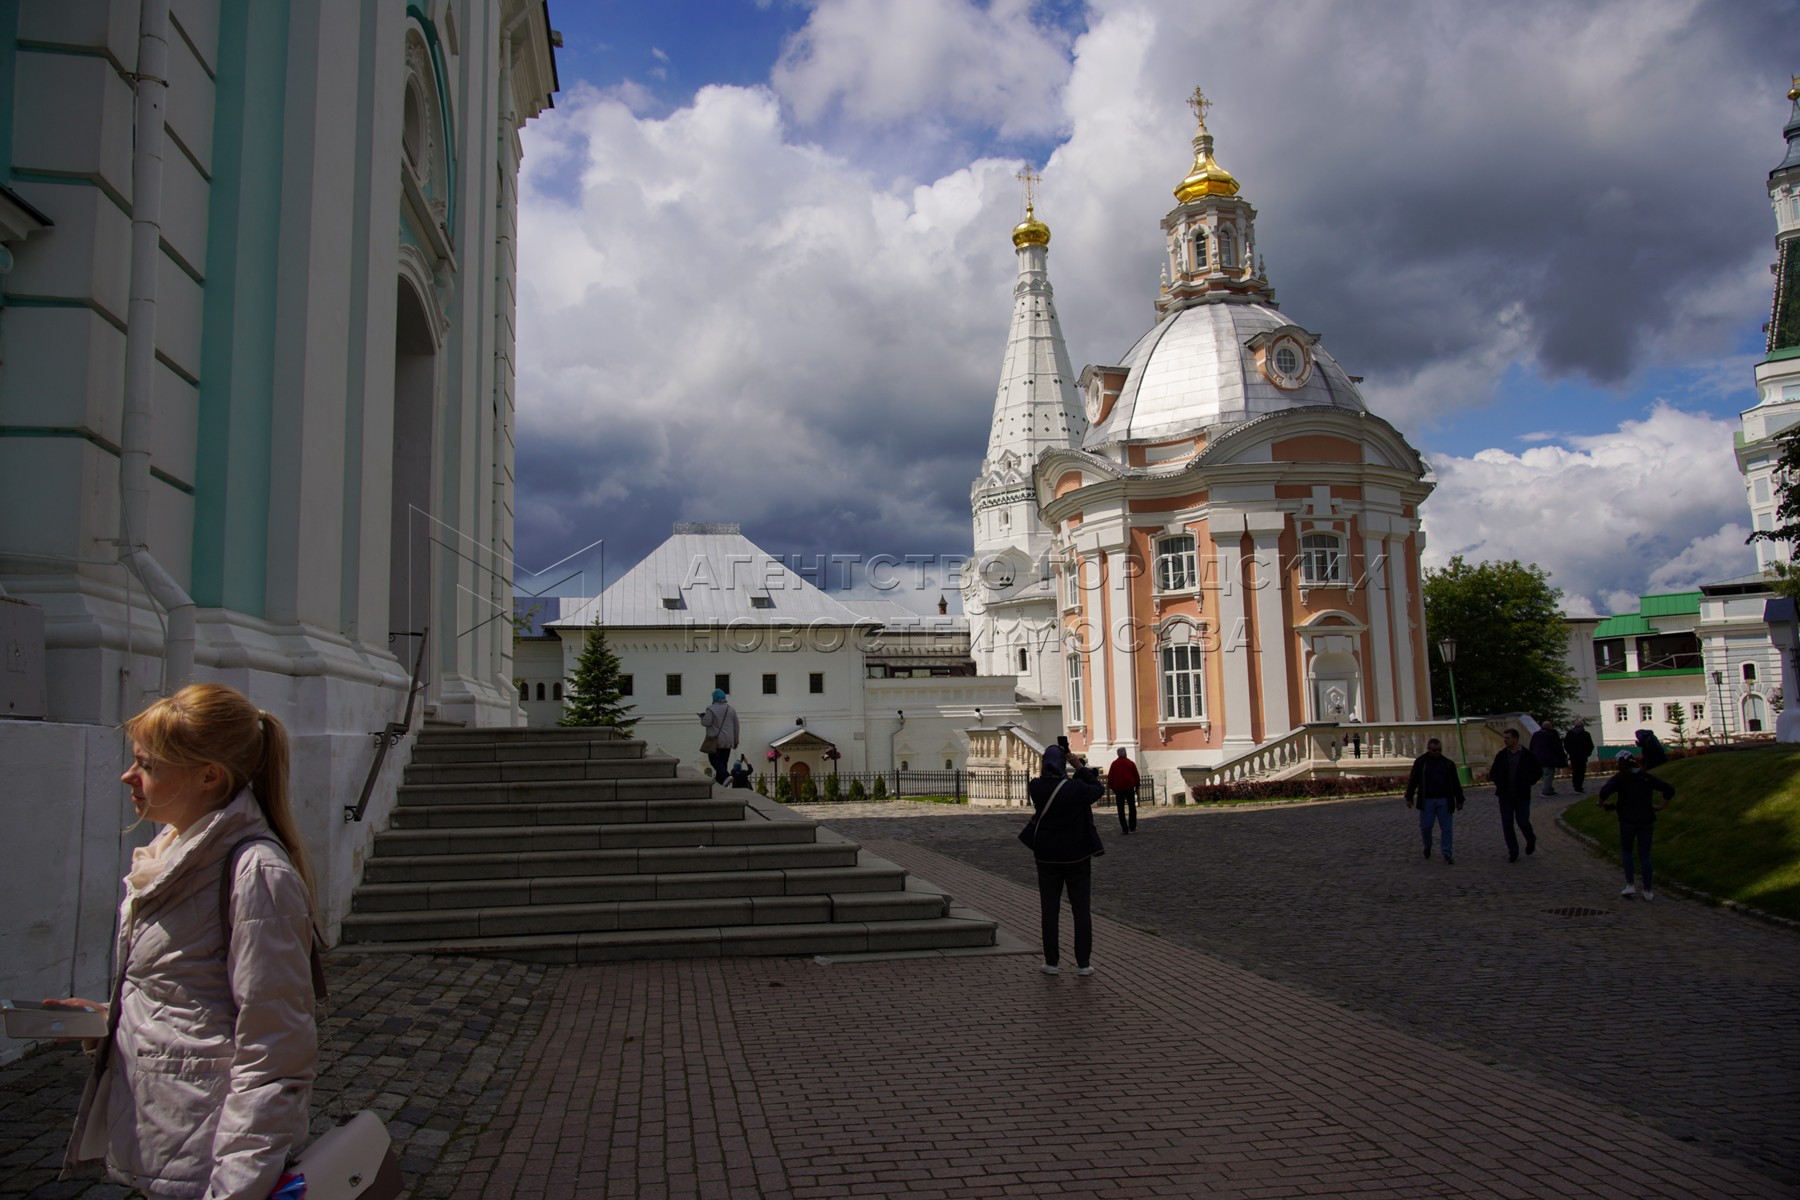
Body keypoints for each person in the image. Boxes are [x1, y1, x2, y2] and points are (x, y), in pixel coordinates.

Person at [58, 684, 319, 1199]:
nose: (128, 777)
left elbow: (276, 1051)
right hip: (168, 1131)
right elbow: (189, 997)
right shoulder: (171, 854)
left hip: (210, 1158)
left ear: (208, 776)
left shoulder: (255, 874)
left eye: (148, 765)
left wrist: (237, 1188)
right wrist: (107, 1020)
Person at [1025, 748, 1106, 976]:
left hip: (1046, 855)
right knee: (1081, 910)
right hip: (1076, 855)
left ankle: (1051, 962)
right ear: (1063, 764)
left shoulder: (1036, 787)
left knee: (1049, 910)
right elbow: (1098, 789)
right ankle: (1083, 963)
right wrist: (1079, 767)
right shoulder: (1076, 788)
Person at [1597, 748, 1675, 900]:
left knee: (1627, 852)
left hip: (1627, 820)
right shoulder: (1645, 777)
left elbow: (1605, 791)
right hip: (1646, 819)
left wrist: (1601, 804)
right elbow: (1668, 789)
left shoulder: (1621, 778)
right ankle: (1647, 890)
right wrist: (1661, 806)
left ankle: (1630, 884)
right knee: (1645, 854)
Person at [1403, 737, 1465, 864]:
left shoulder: (1448, 764)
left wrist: (1459, 799)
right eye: (1434, 750)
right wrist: (1409, 797)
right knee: (1426, 826)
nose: (1437, 752)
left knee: (1446, 828)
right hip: (1427, 801)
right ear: (1429, 749)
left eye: (1439, 750)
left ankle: (1447, 852)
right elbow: (1413, 780)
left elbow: (1455, 783)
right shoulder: (1421, 762)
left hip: (1444, 800)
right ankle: (1428, 845)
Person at [1486, 728, 1542, 862]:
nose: (1505, 740)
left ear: (1515, 738)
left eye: (1508, 738)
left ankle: (1530, 838)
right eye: (1504, 738)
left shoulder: (1527, 755)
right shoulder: (1501, 755)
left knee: (1522, 821)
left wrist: (1529, 781)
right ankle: (1513, 851)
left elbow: (1537, 771)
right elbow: (1493, 772)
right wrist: (1499, 782)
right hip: (1505, 794)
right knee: (1507, 823)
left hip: (1522, 794)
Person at [699, 689, 739, 785]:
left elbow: (706, 722)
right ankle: (720, 784)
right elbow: (736, 726)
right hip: (728, 740)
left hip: (716, 740)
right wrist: (736, 741)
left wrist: (702, 718)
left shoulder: (711, 708)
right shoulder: (731, 709)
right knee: (723, 762)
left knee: (714, 760)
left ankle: (726, 776)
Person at [1105, 747, 1140, 834]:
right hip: (1129, 788)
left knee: (1120, 809)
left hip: (1119, 789)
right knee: (1132, 807)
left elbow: (1111, 777)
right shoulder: (1130, 763)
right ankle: (1132, 827)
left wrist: (1112, 787)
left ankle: (1124, 828)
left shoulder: (1114, 764)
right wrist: (1137, 786)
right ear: (1125, 753)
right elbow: (1136, 775)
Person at [1529, 721, 1566, 796]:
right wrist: (1562, 756)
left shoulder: (1536, 734)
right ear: (1550, 727)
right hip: (1549, 758)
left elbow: (1531, 746)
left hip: (1537, 758)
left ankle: (1549, 789)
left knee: (1544, 774)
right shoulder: (1551, 735)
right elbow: (1557, 747)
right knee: (1548, 775)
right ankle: (1546, 791)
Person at [1564, 718, 1596, 793]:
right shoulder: (1586, 734)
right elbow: (1590, 746)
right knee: (1581, 771)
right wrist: (1587, 753)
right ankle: (1579, 786)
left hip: (1573, 756)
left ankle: (1575, 785)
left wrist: (1570, 752)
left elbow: (1566, 744)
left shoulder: (1569, 734)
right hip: (1582, 756)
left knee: (1575, 771)